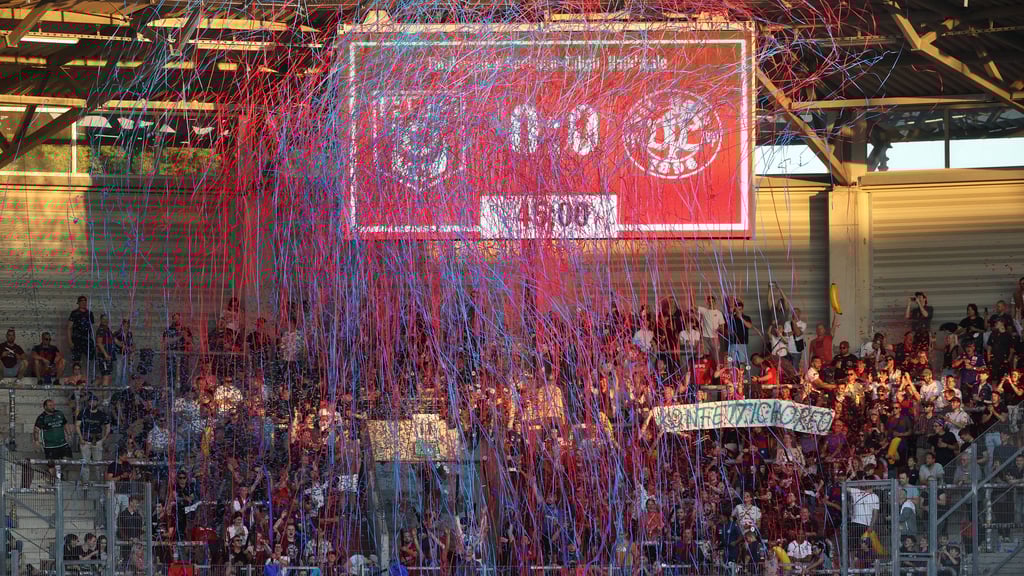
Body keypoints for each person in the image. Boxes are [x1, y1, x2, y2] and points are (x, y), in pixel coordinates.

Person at [33, 398, 72, 479]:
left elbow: (65, 424)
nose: (53, 407)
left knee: (68, 459)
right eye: (50, 405)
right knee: (51, 464)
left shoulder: (59, 413)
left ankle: (57, 472)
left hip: (62, 443)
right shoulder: (41, 417)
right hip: (50, 445)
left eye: (53, 405)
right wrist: (36, 441)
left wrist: (69, 434)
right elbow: (36, 430)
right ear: (45, 407)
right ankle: (56, 479)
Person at [76, 395, 110, 483]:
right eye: (91, 401)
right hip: (85, 440)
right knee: (85, 463)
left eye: (94, 401)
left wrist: (104, 439)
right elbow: (77, 426)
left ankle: (99, 482)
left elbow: (107, 426)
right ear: (88, 402)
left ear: (97, 402)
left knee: (98, 463)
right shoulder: (83, 413)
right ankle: (85, 482)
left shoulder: (102, 414)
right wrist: (80, 438)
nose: (92, 403)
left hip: (97, 440)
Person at [67, 295, 95, 371]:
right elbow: (69, 328)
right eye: (81, 301)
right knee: (76, 360)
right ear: (78, 303)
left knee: (91, 359)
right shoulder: (74, 313)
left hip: (87, 340)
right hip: (76, 339)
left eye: (85, 301)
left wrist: (93, 340)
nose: (83, 303)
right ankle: (76, 378)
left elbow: (92, 328)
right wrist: (70, 341)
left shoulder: (90, 313)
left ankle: (88, 377)